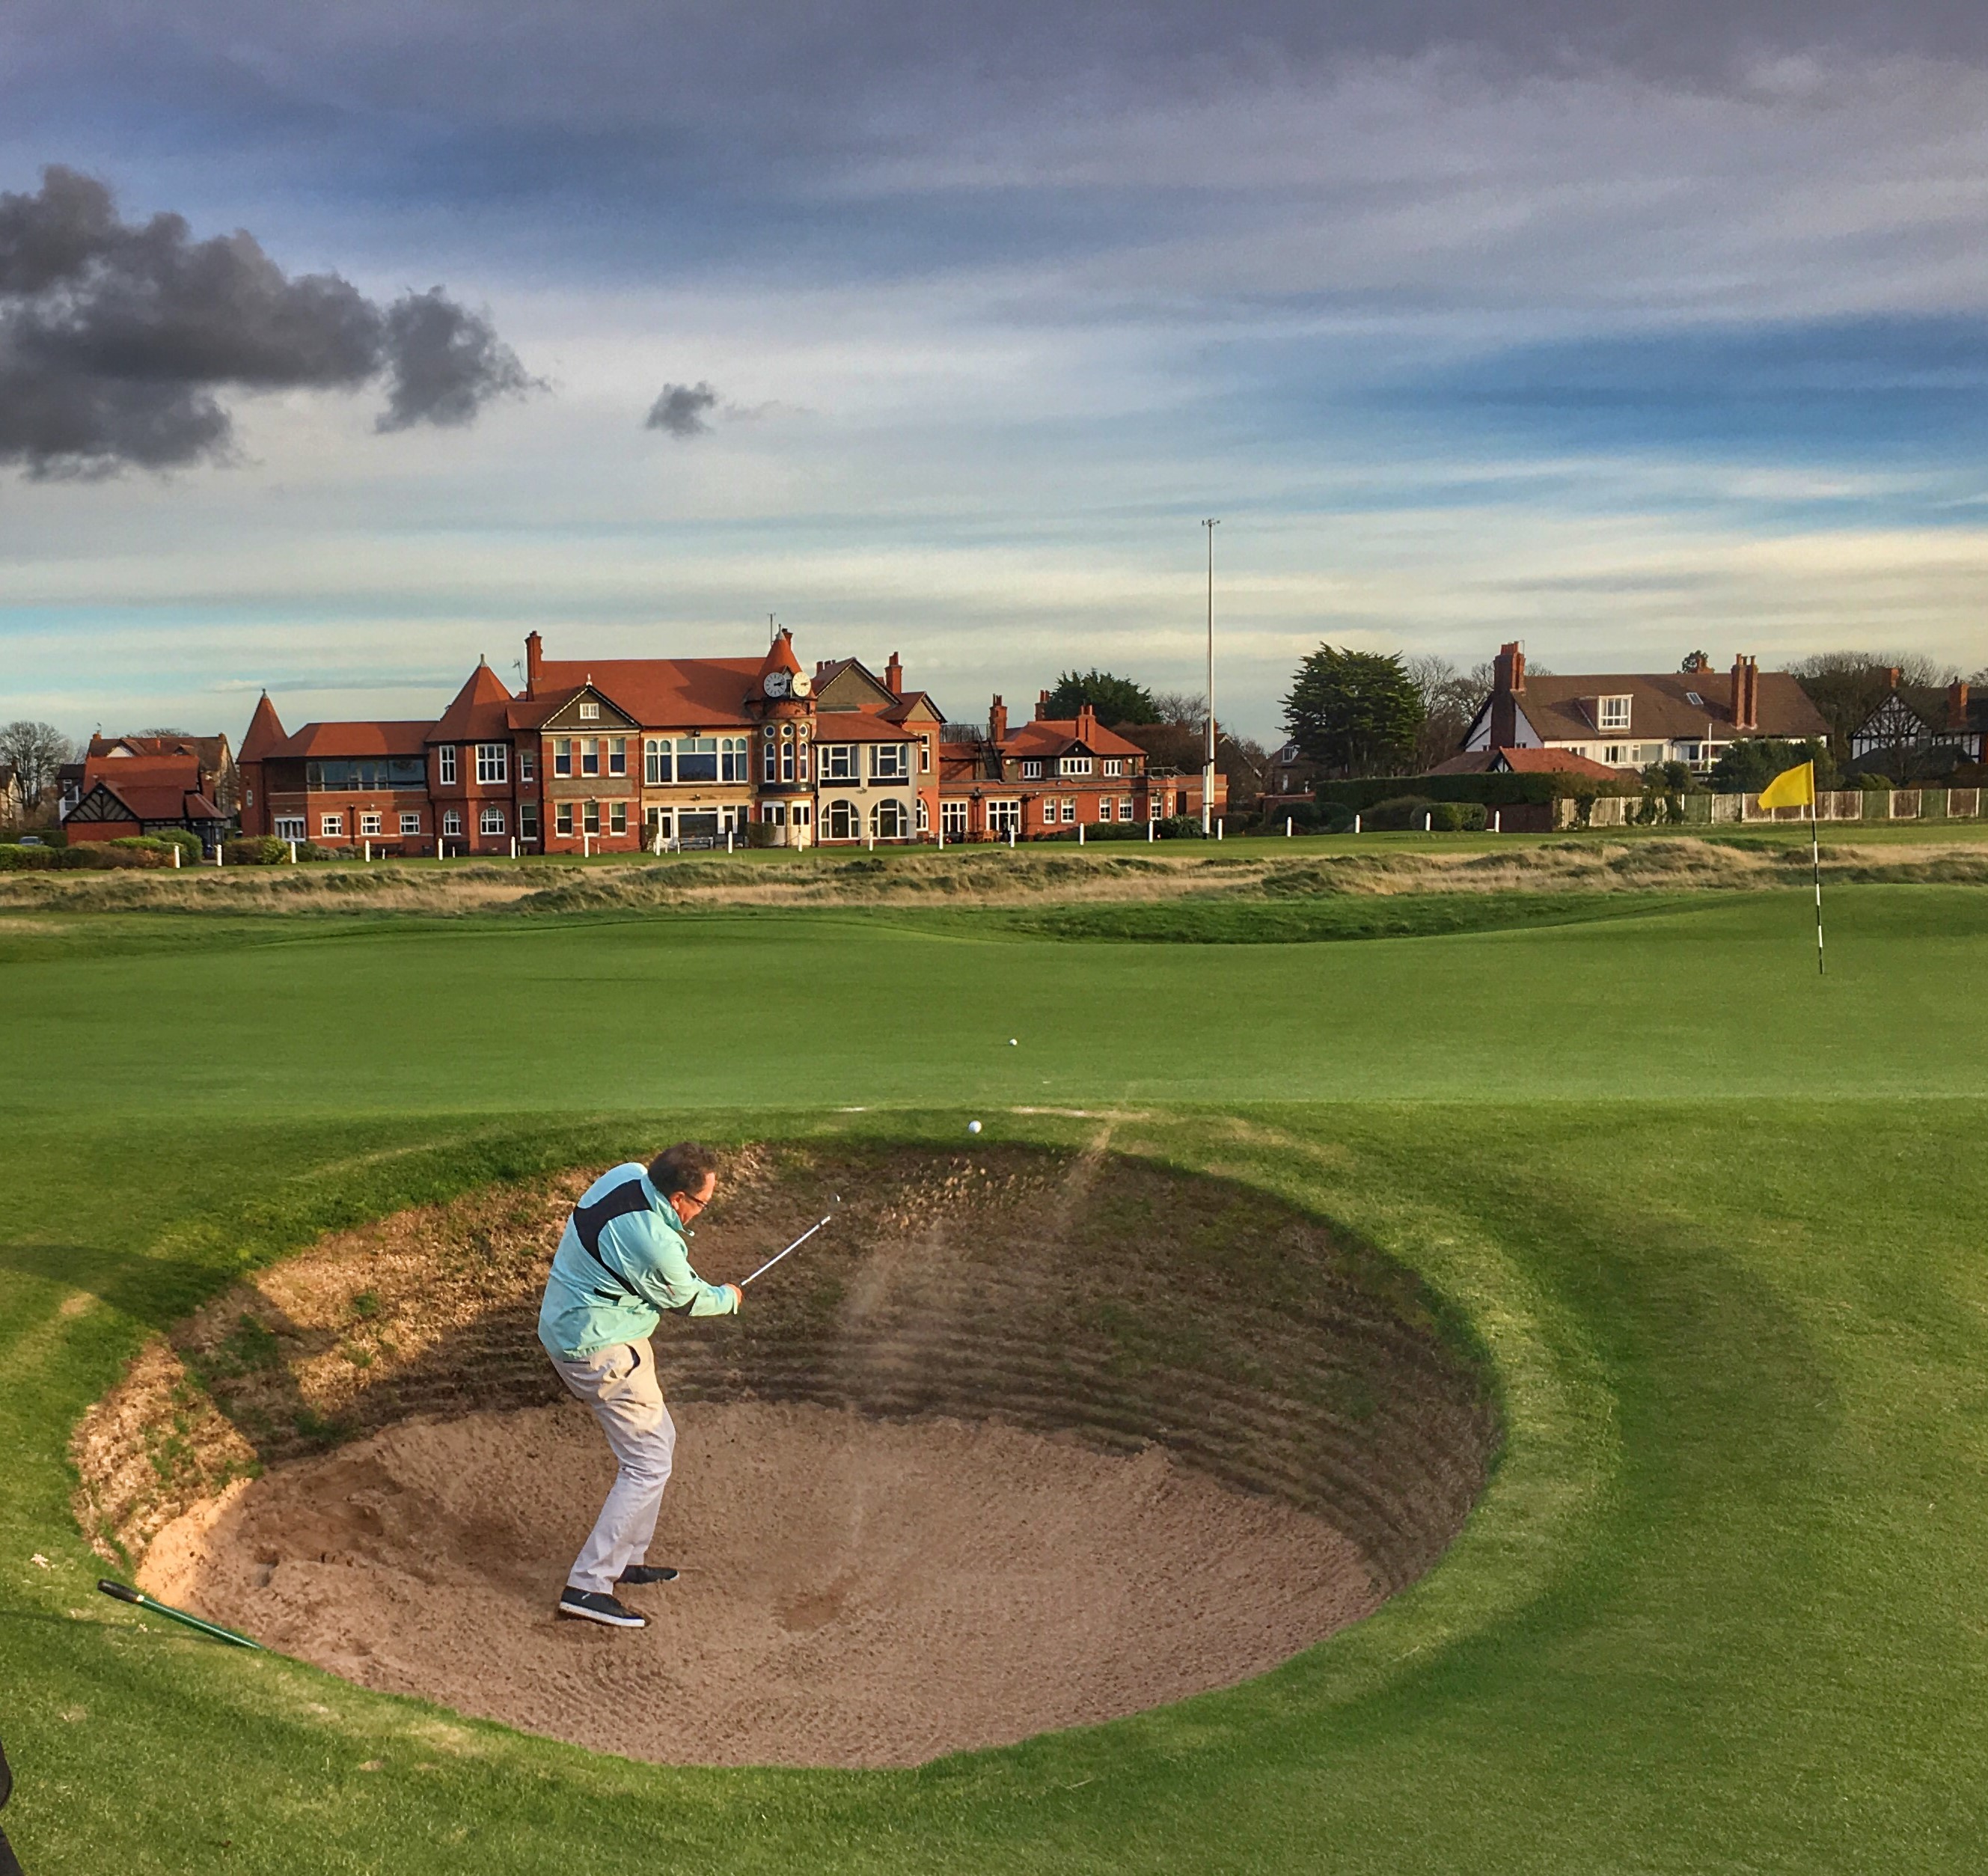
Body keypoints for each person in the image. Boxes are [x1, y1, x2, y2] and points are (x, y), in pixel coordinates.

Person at [538, 1142, 740, 1628]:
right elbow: (691, 1301)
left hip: (588, 1326)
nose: (701, 1213)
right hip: (599, 1348)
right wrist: (729, 1297)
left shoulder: (627, 1174)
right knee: (647, 1463)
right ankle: (587, 1584)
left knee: (659, 1444)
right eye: (701, 1204)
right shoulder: (655, 1243)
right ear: (677, 1199)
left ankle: (628, 1556)